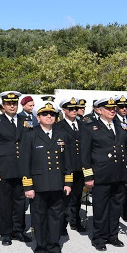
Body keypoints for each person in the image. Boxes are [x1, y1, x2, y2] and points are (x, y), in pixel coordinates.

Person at [82, 96, 127, 251]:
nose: (113, 111)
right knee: (100, 208)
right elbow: (85, 155)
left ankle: (112, 235)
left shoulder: (121, 127)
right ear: (100, 110)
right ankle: (99, 238)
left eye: (114, 109)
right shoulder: (90, 128)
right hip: (101, 174)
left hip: (119, 174)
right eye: (109, 109)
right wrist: (88, 176)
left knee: (115, 207)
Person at [20, 102, 73, 253]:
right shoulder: (30, 134)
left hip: (57, 183)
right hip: (38, 184)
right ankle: (41, 249)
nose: (49, 116)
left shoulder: (62, 134)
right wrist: (28, 186)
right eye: (45, 114)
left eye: (52, 114)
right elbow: (24, 163)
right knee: (39, 217)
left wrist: (68, 182)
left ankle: (55, 248)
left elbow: (68, 160)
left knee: (56, 216)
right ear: (38, 117)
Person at [0, 91, 32, 245]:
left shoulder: (25, 120)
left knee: (20, 201)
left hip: (22, 169)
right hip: (3, 169)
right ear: (3, 106)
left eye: (14, 103)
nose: (12, 106)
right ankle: (5, 232)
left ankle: (18, 230)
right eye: (9, 103)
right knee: (4, 202)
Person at [56, 97, 87, 233]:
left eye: (76, 108)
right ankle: (62, 224)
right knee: (64, 198)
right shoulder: (58, 126)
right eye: (71, 109)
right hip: (65, 168)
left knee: (77, 196)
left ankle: (75, 221)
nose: (74, 111)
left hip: (79, 167)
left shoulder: (83, 125)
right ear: (64, 110)